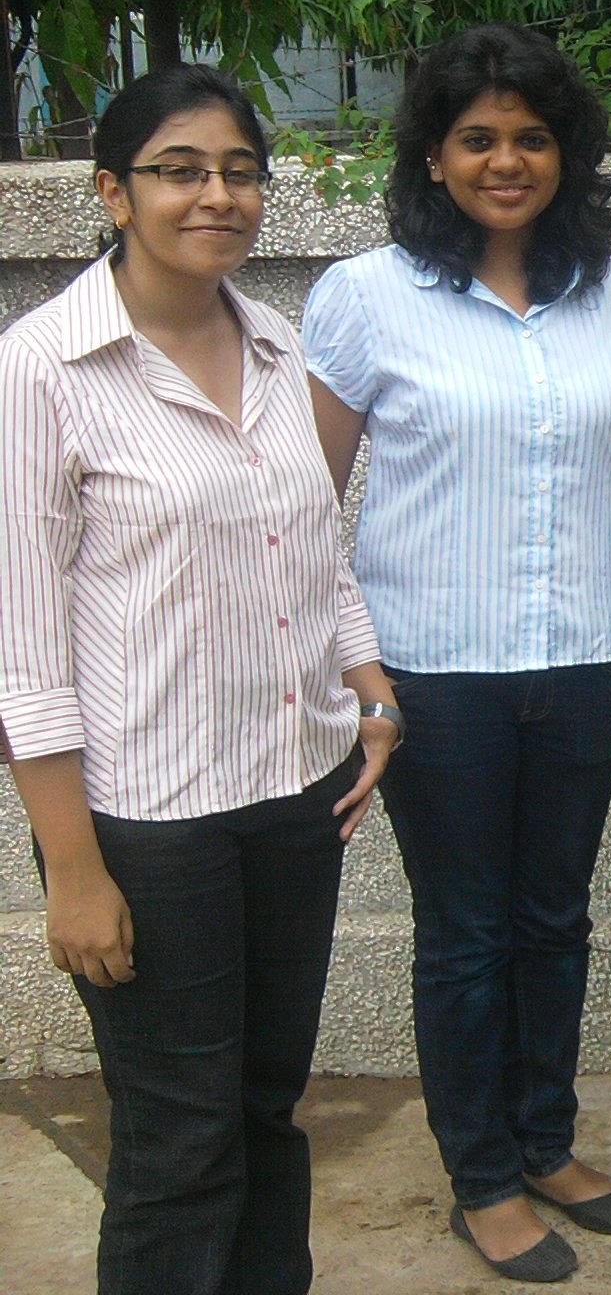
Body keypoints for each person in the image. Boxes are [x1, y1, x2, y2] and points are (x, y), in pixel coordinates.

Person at [301, 24, 611, 1284]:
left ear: (565, 154)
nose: (505, 160)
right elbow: (312, 496)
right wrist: (353, 670)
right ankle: (481, 1174)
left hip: (585, 658)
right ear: (434, 154)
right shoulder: (365, 297)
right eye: (478, 138)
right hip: (432, 670)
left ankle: (545, 1139)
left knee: (554, 919)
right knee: (466, 933)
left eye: (530, 137)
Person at [0, 64, 400, 1295]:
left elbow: (314, 547)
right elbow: (22, 644)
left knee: (266, 1107)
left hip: (295, 793)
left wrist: (372, 694)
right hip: (145, 819)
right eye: (180, 170)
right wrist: (72, 870)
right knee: (177, 1139)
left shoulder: (277, 348)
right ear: (114, 193)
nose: (215, 194)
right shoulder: (42, 369)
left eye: (237, 170)